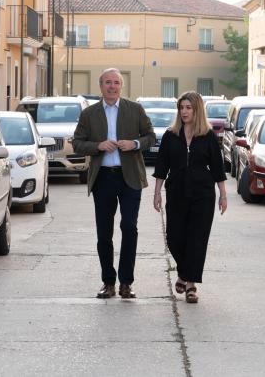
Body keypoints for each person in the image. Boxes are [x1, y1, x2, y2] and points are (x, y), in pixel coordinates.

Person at [73, 68, 156, 299]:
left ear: (121, 86)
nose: (112, 86)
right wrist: (98, 146)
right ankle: (108, 282)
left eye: (116, 82)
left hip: (130, 177)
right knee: (104, 233)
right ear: (101, 86)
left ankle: (126, 283)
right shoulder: (90, 113)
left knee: (129, 227)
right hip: (103, 178)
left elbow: (151, 136)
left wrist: (135, 144)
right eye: (107, 82)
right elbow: (78, 142)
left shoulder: (135, 109)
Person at [152, 91, 227, 303]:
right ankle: (184, 273)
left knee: (197, 239)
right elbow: (161, 167)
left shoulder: (208, 135)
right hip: (176, 192)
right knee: (174, 238)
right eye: (181, 108)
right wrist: (157, 192)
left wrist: (223, 195)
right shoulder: (170, 135)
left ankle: (191, 284)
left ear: (197, 110)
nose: (184, 112)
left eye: (188, 108)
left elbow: (218, 168)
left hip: (202, 194)